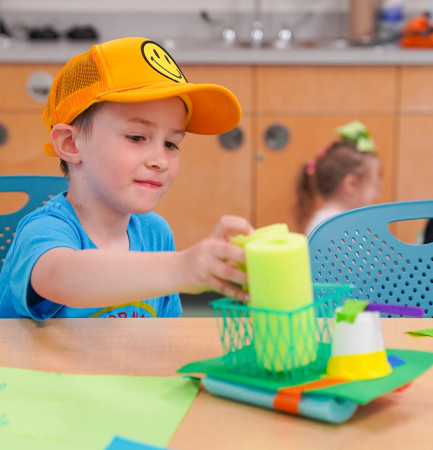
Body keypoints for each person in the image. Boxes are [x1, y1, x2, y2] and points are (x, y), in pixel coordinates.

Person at [0, 37, 253, 320]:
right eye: (136, 137)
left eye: (171, 143)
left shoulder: (156, 233)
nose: (159, 160)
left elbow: (165, 339)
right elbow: (60, 275)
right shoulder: (44, 231)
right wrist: (181, 268)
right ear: (71, 144)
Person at [296, 121, 382, 237]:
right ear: (351, 184)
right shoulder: (338, 226)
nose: (378, 195)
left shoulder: (329, 222)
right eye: (375, 185)